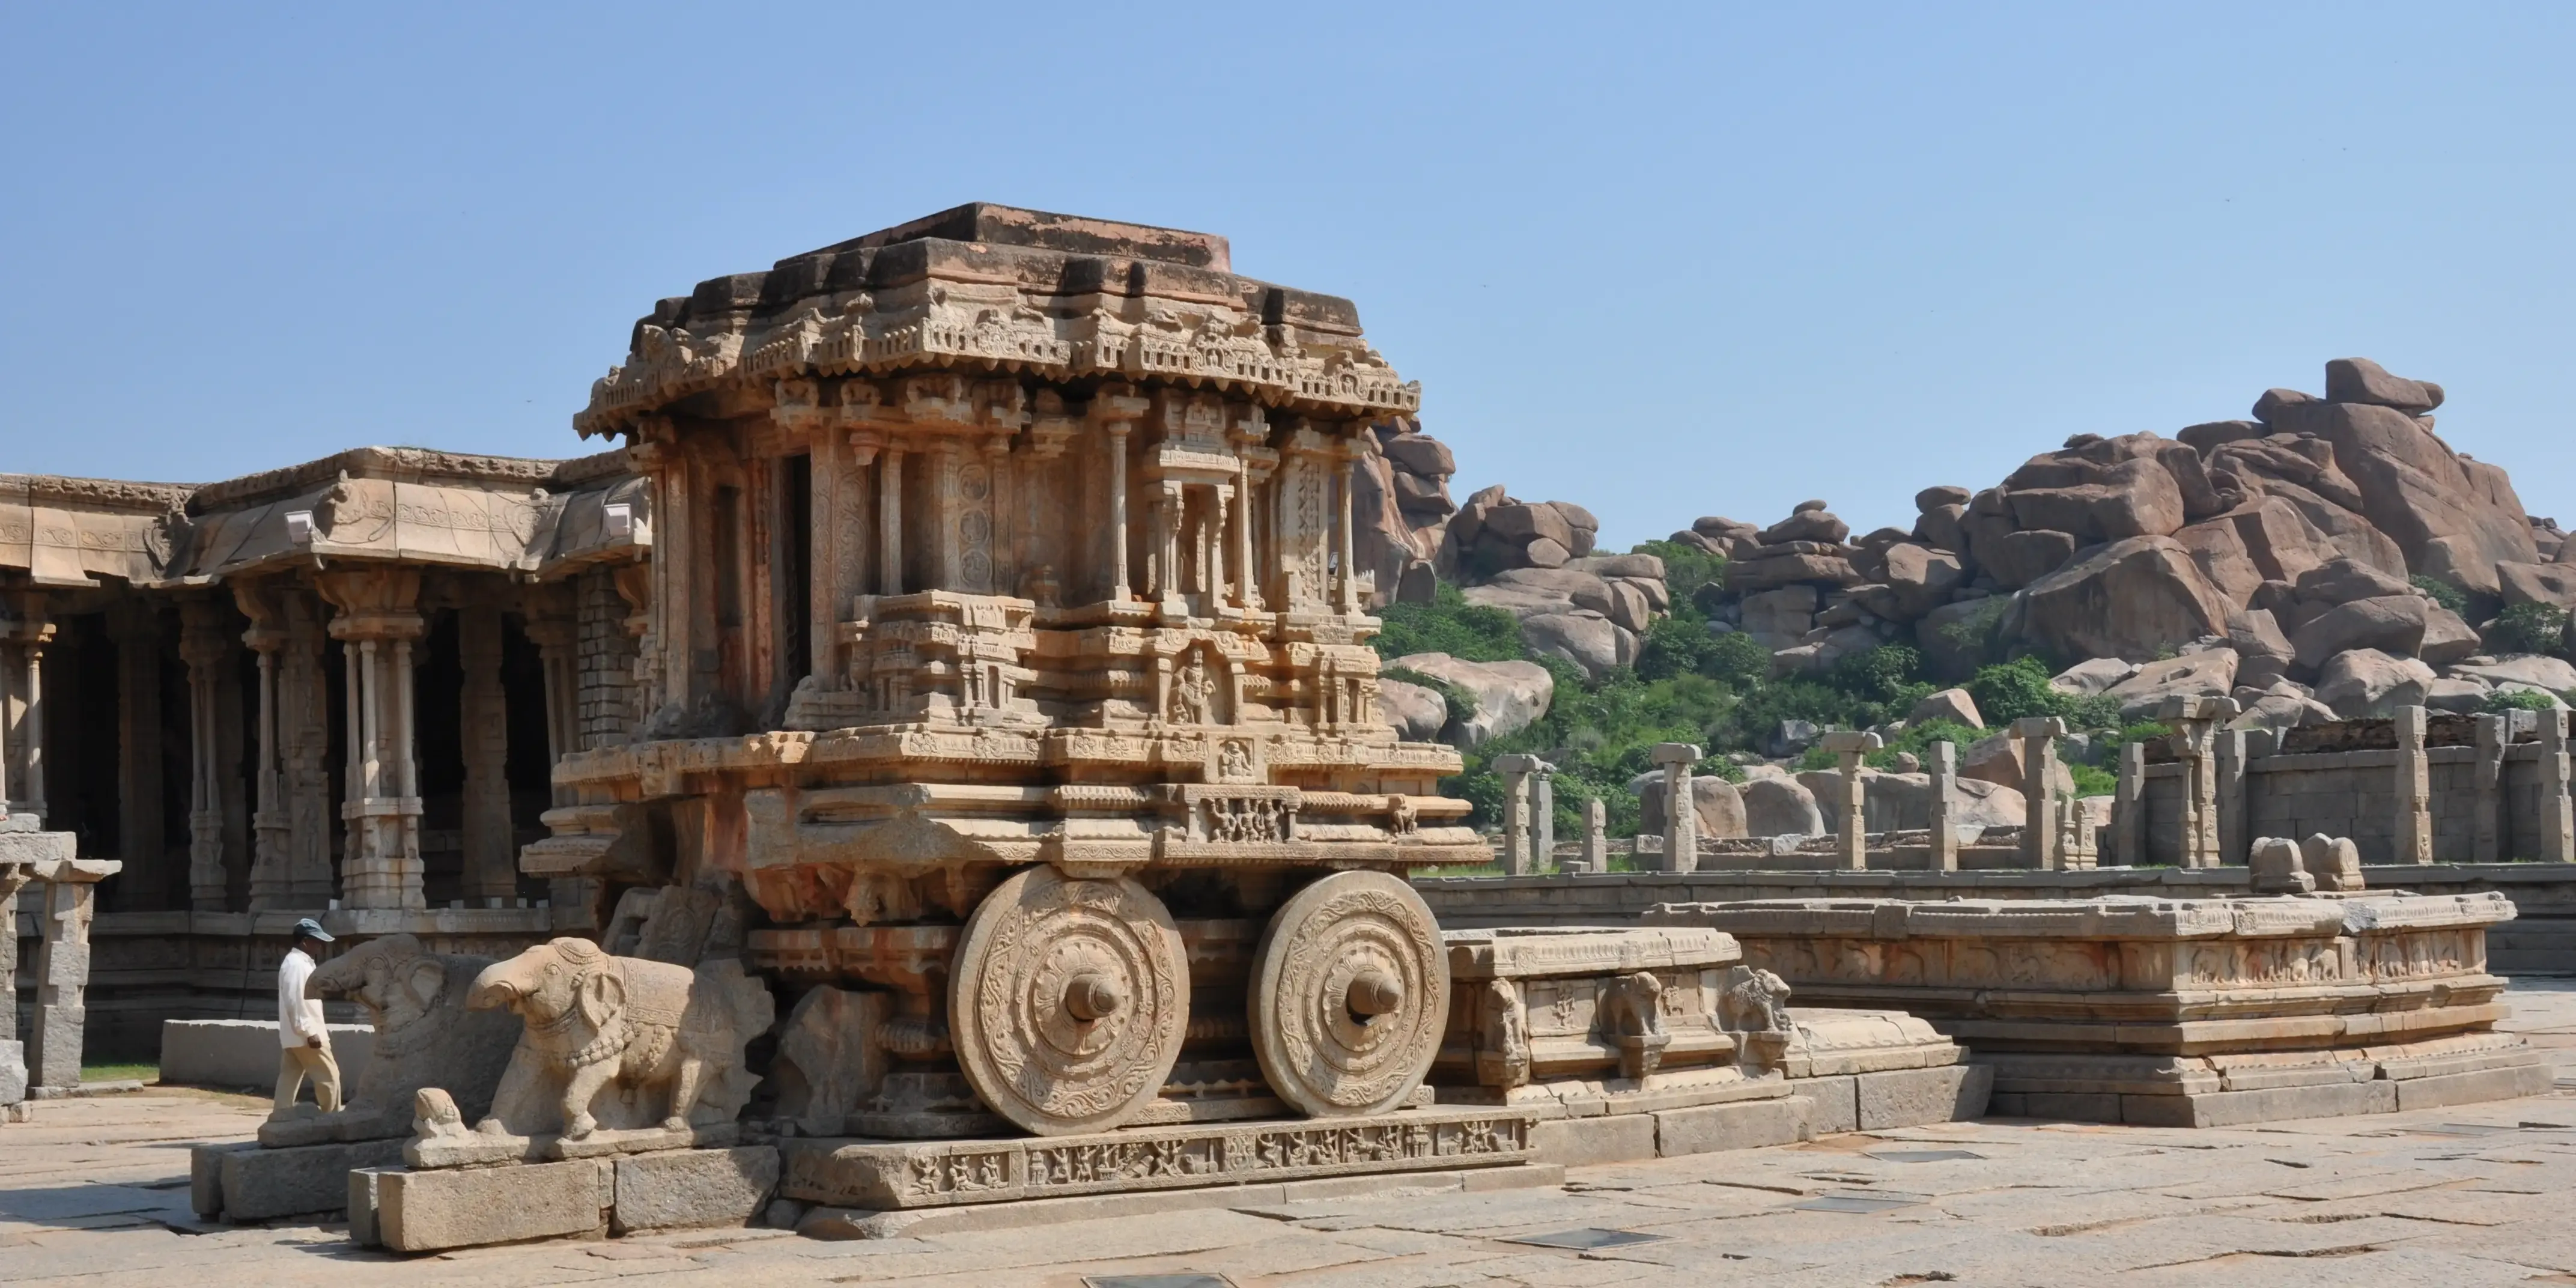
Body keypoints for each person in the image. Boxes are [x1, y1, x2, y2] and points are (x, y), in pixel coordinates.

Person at [273, 917, 341, 1118]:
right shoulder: (297, 965)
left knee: (289, 1076)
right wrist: (309, 1032)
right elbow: (295, 1000)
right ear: (305, 942)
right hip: (306, 1035)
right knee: (330, 1078)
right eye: (317, 941)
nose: (320, 945)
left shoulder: (297, 963)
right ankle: (333, 1120)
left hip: (294, 1035)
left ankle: (280, 1118)